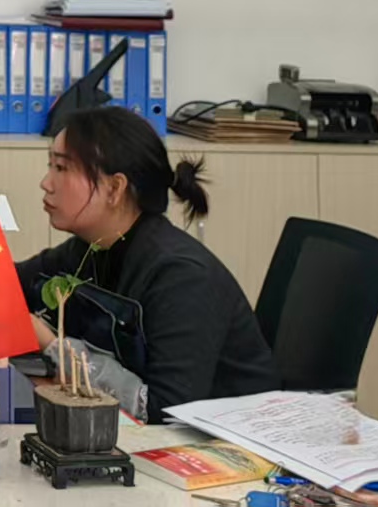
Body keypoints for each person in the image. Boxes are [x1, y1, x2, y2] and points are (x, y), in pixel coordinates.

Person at [17, 106, 280, 423]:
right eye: (51, 166)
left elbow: (165, 411)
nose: (46, 183)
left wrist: (52, 346)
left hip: (222, 437)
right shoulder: (91, 247)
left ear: (115, 188)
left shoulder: (181, 277)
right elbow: (11, 283)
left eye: (61, 168)